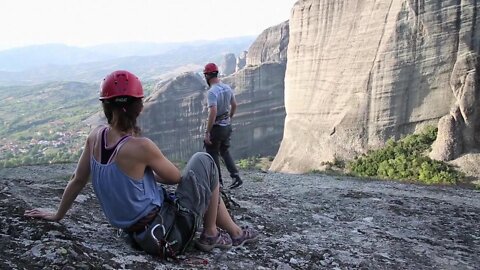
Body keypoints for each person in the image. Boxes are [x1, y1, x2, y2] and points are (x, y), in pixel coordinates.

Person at [24, 70, 258, 258]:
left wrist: (58, 214)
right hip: (166, 236)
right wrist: (149, 172)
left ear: (107, 106)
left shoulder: (95, 137)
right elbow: (176, 178)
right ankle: (210, 234)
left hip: (136, 234)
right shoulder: (141, 147)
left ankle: (235, 232)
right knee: (204, 161)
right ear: (137, 107)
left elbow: (77, 180)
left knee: (201, 183)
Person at [203, 63, 243, 189]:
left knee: (212, 153)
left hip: (217, 128)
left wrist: (207, 132)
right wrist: (230, 117)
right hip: (227, 126)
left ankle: (217, 182)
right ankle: (235, 176)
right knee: (225, 151)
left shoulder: (212, 92)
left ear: (208, 75)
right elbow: (234, 104)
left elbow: (213, 112)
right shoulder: (227, 87)